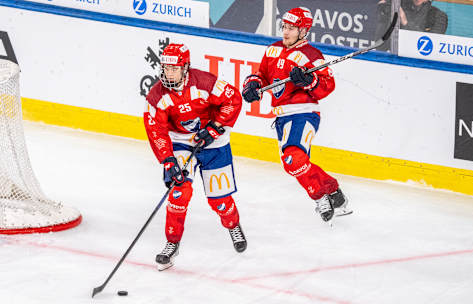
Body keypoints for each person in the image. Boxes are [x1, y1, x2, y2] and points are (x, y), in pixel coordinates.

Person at [241, 7, 351, 223]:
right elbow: (261, 74)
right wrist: (252, 85)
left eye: (292, 28)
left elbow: (327, 85)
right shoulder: (272, 49)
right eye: (285, 27)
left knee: (293, 159)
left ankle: (321, 196)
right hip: (282, 117)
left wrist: (309, 81)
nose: (286, 32)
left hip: (304, 113)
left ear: (303, 31)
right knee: (292, 164)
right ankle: (333, 193)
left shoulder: (312, 56)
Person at [144, 43, 246, 270]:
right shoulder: (157, 95)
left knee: (219, 200)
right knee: (179, 190)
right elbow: (156, 131)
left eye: (174, 68)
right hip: (180, 141)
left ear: (185, 68)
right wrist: (168, 160)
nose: (168, 73)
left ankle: (233, 225)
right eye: (165, 68)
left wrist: (214, 128)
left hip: (214, 142)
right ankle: (172, 244)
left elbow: (233, 100)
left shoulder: (205, 82)